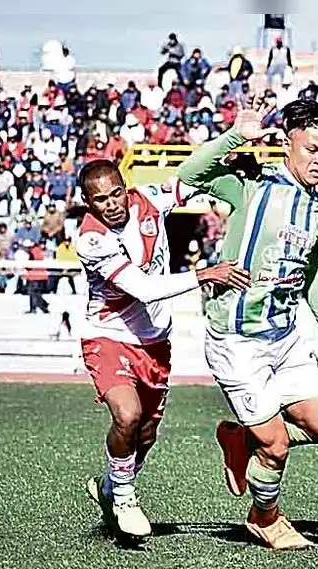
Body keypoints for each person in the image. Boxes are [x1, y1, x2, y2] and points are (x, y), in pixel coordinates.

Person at [178, 97, 318, 550]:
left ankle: (240, 438)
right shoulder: (252, 184)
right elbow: (189, 175)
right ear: (289, 143)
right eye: (312, 149)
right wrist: (237, 135)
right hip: (236, 339)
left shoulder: (317, 208)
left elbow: (309, 274)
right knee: (275, 445)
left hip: (285, 334)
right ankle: (265, 519)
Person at [77, 160, 252, 540]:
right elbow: (144, 288)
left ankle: (108, 486)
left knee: (146, 435)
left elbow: (195, 177)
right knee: (128, 415)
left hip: (155, 342)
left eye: (116, 193)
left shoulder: (150, 200)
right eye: (100, 199)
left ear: (127, 187)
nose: (111, 204)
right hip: (108, 336)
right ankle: (124, 497)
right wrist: (205, 273)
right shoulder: (91, 239)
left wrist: (234, 149)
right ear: (88, 203)